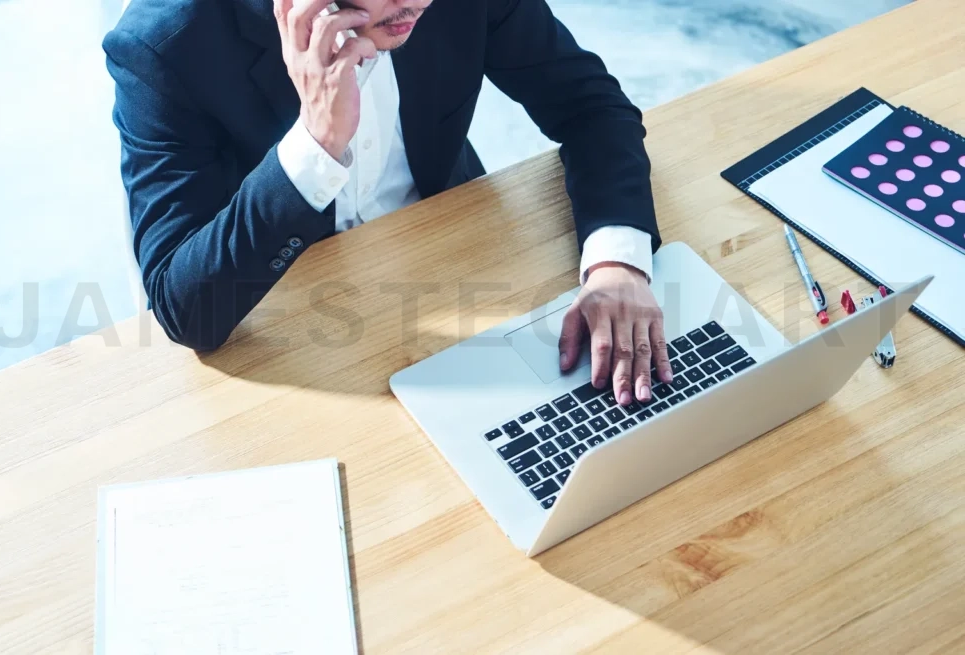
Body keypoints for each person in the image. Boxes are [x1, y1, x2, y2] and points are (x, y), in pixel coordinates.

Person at [103, 0, 673, 406]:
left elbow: (589, 106)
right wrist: (315, 144)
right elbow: (186, 310)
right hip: (298, 337)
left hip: (462, 272)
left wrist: (616, 263)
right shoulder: (164, 46)